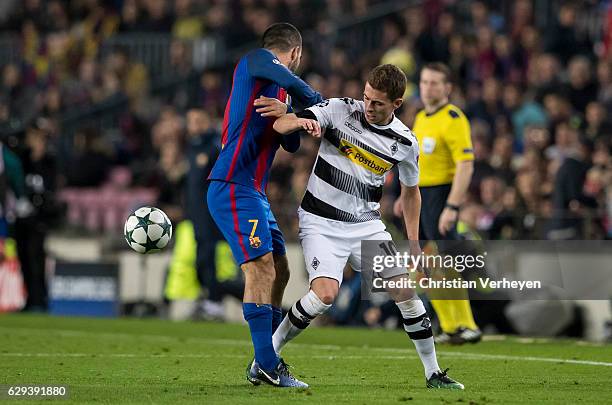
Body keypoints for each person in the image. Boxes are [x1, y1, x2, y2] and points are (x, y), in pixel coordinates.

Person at [272, 64, 464, 389]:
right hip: (321, 221)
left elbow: (411, 192)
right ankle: (267, 356)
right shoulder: (339, 110)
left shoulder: (404, 142)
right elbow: (281, 123)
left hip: (366, 226)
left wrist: (415, 242)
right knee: (325, 295)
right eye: (366, 97)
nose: (368, 107)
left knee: (404, 290)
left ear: (397, 104)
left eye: (377, 103)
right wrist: (299, 119)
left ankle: (433, 373)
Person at [206, 22, 323, 388]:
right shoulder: (255, 60)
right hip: (232, 185)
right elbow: (306, 93)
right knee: (260, 270)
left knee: (281, 270)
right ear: (295, 53)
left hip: (253, 192)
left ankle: (265, 356)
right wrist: (312, 103)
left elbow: (288, 144)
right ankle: (269, 364)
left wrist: (287, 114)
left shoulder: (273, 91)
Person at [399, 62, 481, 344]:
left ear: (448, 88)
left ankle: (468, 325)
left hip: (442, 196)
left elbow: (466, 165)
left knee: (446, 263)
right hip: (422, 196)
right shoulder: (421, 117)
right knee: (426, 265)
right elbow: (414, 164)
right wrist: (406, 196)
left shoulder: (454, 118)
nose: (428, 87)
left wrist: (453, 206)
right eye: (424, 82)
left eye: (434, 82)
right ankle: (450, 327)